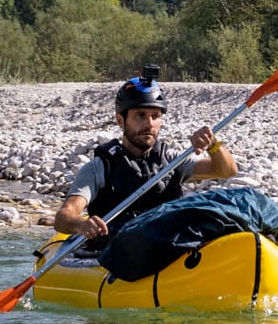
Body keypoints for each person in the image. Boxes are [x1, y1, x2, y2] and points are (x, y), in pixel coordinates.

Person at [52, 69, 237, 241]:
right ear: (120, 120)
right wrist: (81, 224)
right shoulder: (100, 167)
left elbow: (226, 170)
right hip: (117, 251)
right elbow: (63, 217)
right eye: (140, 115)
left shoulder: (172, 160)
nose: (149, 124)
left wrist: (213, 144)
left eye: (155, 116)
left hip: (165, 246)